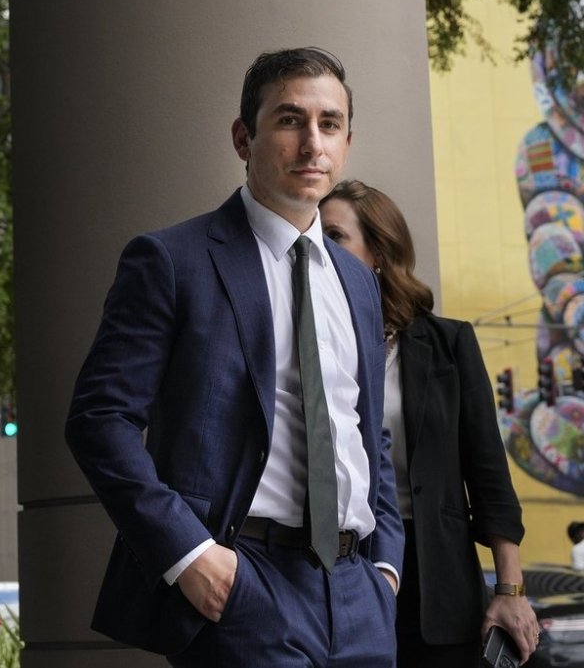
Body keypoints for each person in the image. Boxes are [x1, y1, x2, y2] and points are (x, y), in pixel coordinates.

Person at [65, 47, 403, 667]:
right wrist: (189, 555)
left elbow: (364, 429)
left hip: (360, 594)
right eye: (290, 120)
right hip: (246, 584)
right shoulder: (173, 261)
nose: (312, 143)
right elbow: (98, 420)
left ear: (347, 142)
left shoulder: (357, 281)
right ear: (243, 138)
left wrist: (386, 568)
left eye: (330, 124)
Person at [319, 179, 539, 666]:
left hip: (439, 577)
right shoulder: (314, 348)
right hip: (343, 569)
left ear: (378, 252)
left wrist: (510, 589)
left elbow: (489, 476)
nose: (319, 247)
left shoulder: (448, 345)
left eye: (334, 236)